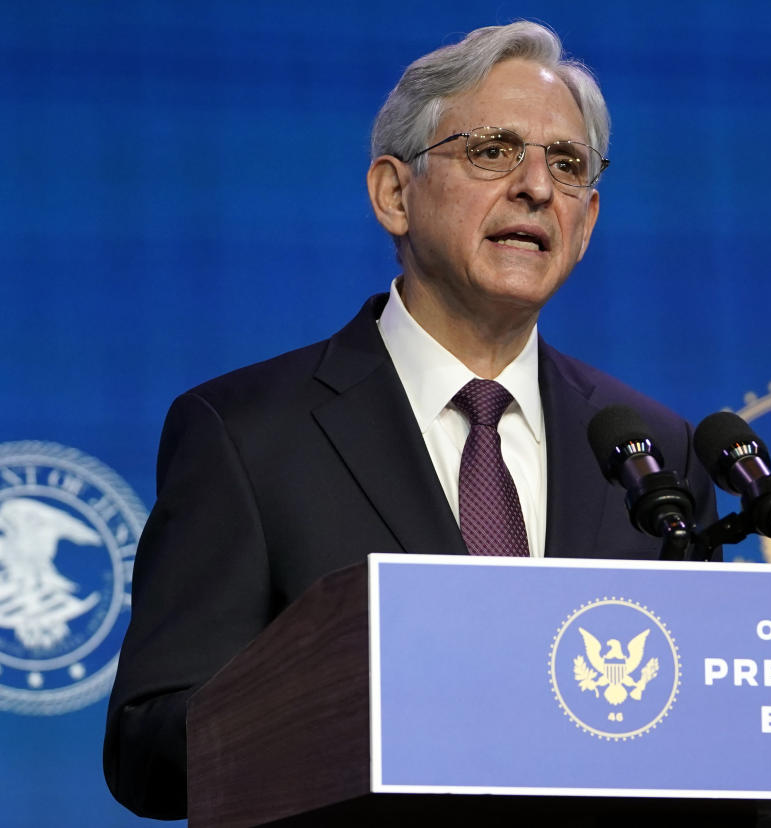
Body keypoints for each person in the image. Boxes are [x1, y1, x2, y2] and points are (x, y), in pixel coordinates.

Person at [102, 22, 716, 819]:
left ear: (587, 220)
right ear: (395, 193)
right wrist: (347, 704)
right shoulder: (247, 434)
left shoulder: (655, 452)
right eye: (494, 150)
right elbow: (147, 749)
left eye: (566, 165)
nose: (536, 186)